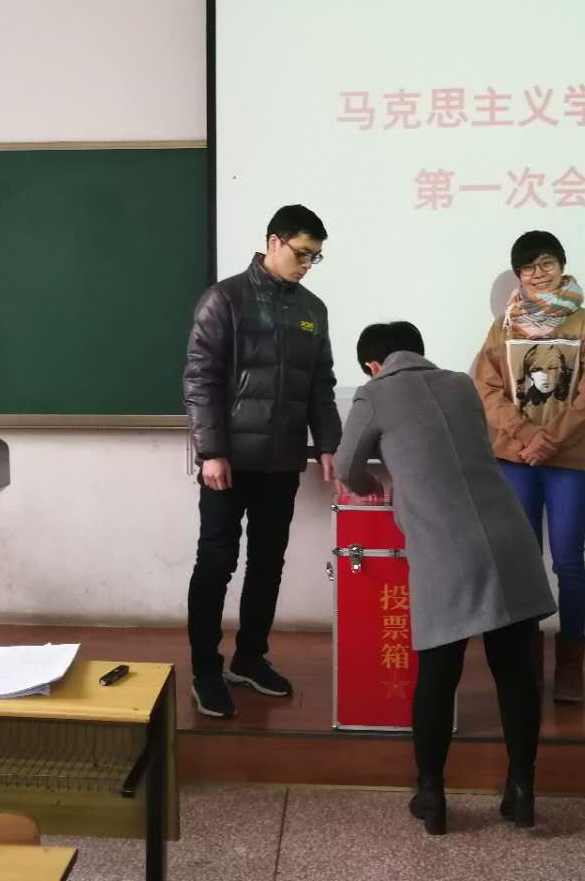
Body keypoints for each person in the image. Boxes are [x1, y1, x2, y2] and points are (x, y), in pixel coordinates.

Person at [335, 321, 556, 835]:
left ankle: (432, 797)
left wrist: (372, 485)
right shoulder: (460, 383)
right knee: (516, 676)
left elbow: (347, 466)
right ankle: (521, 792)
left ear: (372, 365)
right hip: (509, 536)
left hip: (446, 549)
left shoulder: (374, 393)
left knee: (438, 678)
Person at [183, 204, 341, 718]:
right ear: (274, 242)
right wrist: (212, 451)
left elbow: (320, 385)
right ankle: (206, 669)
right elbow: (200, 379)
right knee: (216, 562)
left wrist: (329, 443)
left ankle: (250, 658)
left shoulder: (313, 309)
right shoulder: (224, 299)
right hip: (228, 463)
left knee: (268, 563)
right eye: (302, 253)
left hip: (282, 461)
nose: (307, 265)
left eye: (315, 257)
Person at [471, 230, 585, 704]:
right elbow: (486, 388)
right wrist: (526, 435)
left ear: (561, 265)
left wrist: (550, 439)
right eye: (529, 267)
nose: (539, 273)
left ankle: (570, 665)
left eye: (547, 263)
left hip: (569, 460)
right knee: (524, 560)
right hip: (516, 459)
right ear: (519, 275)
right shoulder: (504, 325)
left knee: (568, 561)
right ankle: (527, 659)